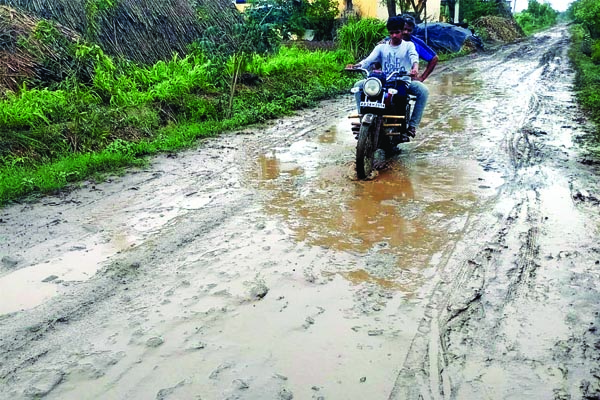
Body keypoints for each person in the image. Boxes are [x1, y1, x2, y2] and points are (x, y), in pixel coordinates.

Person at [346, 16, 428, 138]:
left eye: (397, 32)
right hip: (384, 82)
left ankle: (411, 125)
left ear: (401, 31)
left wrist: (415, 68)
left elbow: (414, 57)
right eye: (391, 33)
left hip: (402, 80)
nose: (394, 35)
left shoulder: (408, 45)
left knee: (422, 91)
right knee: (358, 86)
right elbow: (369, 60)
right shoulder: (381, 47)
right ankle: (363, 118)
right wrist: (356, 66)